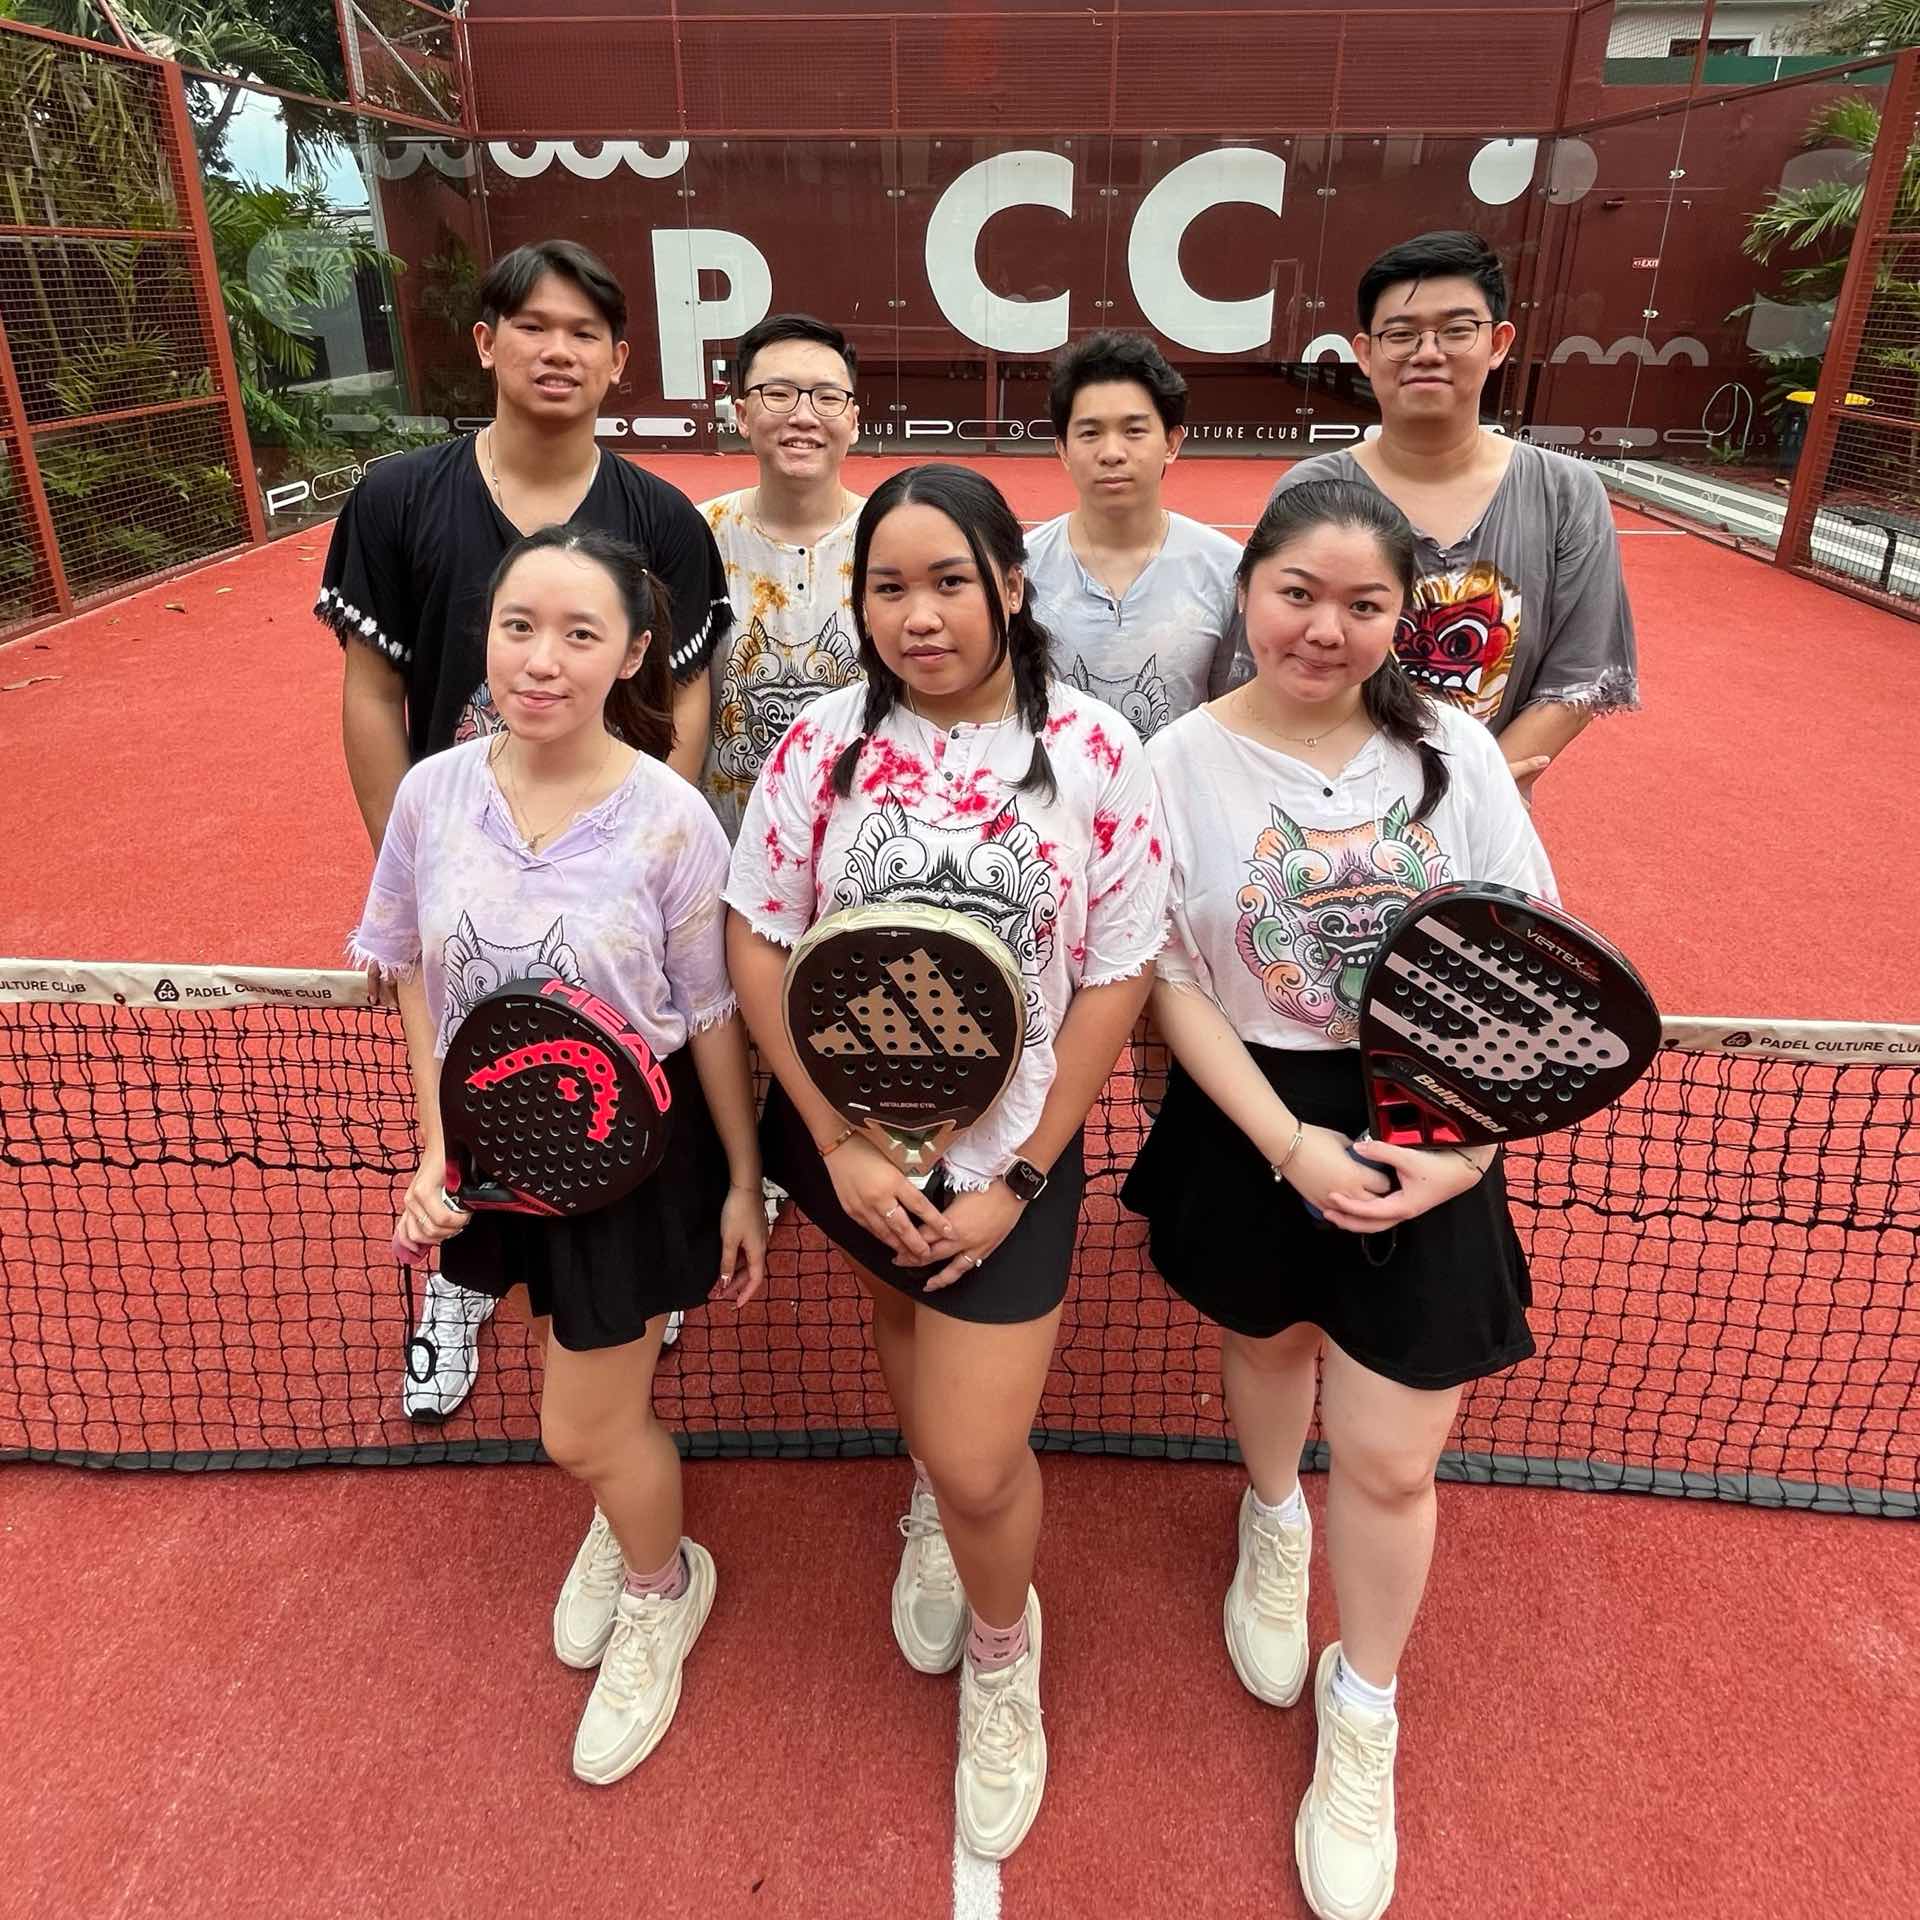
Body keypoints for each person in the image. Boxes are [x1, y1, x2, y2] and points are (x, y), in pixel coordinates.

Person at [1121, 479, 1556, 1920]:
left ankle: (1362, 1706)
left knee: (1392, 1457)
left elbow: (1524, 955)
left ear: (1399, 617)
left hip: (1434, 1114)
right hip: (1254, 1112)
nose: (1326, 628)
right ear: (1247, 592)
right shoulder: (1173, 762)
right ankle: (1270, 1520)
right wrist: (1287, 1146)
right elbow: (1169, 976)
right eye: (1297, 594)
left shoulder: (1458, 753)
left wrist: (1465, 1152)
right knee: (1266, 1345)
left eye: (1364, 604)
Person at [723, 464, 1167, 1860]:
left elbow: (1118, 973)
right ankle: (928, 1500)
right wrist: (839, 1145)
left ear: (1011, 587)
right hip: (853, 1149)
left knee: (982, 1459)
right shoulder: (821, 744)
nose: (919, 616)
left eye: (950, 582)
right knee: (901, 1322)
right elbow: (758, 937)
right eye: (888, 588)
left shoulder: (1095, 750)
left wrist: (1021, 1177)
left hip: (1011, 1162)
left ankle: (1001, 1643)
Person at [350, 526, 766, 1786]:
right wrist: (437, 1147)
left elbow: (710, 1015)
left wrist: (742, 1183)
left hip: (630, 1162)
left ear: (631, 655)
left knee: (577, 1429)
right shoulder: (431, 795)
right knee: (582, 1383)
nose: (541, 660)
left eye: (580, 635)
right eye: (518, 626)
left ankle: (663, 1583)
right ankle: (625, 1510)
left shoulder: (673, 819)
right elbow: (413, 976)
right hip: (497, 1146)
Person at [316, 239, 734, 1417]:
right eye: (533, 326)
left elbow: (686, 698)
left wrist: (635, 849)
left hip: (610, 885)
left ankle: (641, 1275)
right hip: (469, 864)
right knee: (466, 1079)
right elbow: (369, 693)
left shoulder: (661, 515)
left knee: (618, 1087)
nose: (558, 350)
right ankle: (461, 1283)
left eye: (584, 332)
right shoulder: (398, 498)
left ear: (619, 360)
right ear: (486, 342)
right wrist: (416, 869)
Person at [1271, 230, 1638, 798]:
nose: (1428, 352)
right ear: (1365, 353)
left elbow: (1580, 676)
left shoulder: (1565, 492)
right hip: (1330, 798)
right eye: (1401, 334)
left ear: (1498, 343)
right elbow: (1278, 653)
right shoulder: (1313, 490)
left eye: (1456, 330)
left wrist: (1469, 791)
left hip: (1486, 806)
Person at [1023, 330, 1246, 743]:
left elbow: (1235, 710)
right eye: (1090, 433)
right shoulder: (1022, 569)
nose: (1112, 452)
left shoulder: (1227, 571)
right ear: (1063, 449)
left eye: (1134, 430)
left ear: (1172, 443)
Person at [697, 313, 867, 841]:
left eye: (827, 397)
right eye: (778, 394)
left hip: (861, 842)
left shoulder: (892, 540)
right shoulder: (695, 537)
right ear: (742, 415)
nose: (803, 416)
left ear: (854, 420)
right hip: (724, 842)